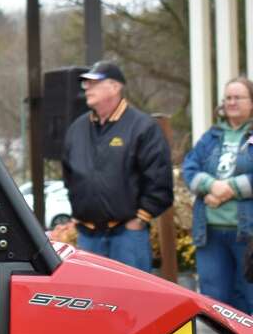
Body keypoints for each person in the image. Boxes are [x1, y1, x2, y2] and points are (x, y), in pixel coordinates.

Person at [61, 60, 172, 272]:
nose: (86, 88)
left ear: (115, 86)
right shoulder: (77, 128)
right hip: (87, 237)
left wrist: (140, 219)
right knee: (91, 301)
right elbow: (68, 175)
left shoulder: (142, 127)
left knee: (132, 302)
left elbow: (159, 179)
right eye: (85, 83)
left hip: (128, 236)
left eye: (93, 83)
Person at [183, 77, 253, 312]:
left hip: (247, 235)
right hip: (210, 234)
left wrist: (228, 189)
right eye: (228, 98)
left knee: (247, 300)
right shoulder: (211, 137)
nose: (231, 102)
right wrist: (212, 186)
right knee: (215, 304)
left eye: (238, 97)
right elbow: (189, 168)